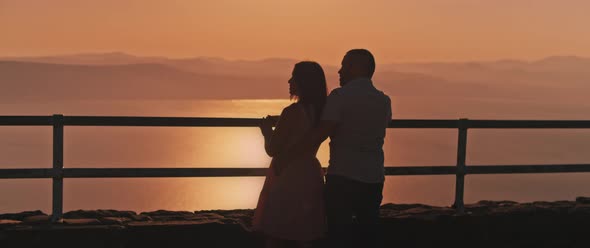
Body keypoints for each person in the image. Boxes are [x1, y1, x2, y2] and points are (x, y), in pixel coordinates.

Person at [274, 49, 392, 248]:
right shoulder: (384, 100)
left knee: (339, 234)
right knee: (368, 232)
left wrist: (286, 157)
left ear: (357, 68)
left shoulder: (340, 97)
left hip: (343, 176)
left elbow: (319, 134)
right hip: (374, 177)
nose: (339, 71)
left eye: (344, 65)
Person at [253, 61, 328, 248]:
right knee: (304, 232)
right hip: (311, 173)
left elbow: (272, 149)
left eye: (293, 77)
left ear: (303, 82)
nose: (289, 81)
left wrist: (266, 131)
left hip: (288, 175)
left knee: (277, 231)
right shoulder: (322, 112)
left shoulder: (291, 112)